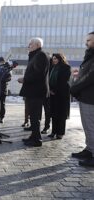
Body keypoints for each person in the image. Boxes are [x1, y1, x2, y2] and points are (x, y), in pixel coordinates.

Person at [18, 37, 50, 147]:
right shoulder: (35, 55)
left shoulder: (40, 55)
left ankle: (37, 140)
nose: (28, 46)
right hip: (33, 90)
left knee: (35, 116)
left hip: (36, 91)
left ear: (37, 45)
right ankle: (34, 136)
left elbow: (38, 74)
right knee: (33, 115)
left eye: (30, 44)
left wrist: (25, 79)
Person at [71, 31, 94, 167]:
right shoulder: (90, 55)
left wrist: (74, 88)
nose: (86, 43)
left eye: (89, 40)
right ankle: (89, 150)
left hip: (91, 97)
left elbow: (90, 77)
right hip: (86, 96)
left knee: (91, 126)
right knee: (88, 126)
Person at [47, 53, 71, 139]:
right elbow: (49, 79)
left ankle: (60, 133)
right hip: (52, 94)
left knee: (61, 114)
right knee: (54, 114)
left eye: (56, 58)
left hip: (61, 94)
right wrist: (50, 89)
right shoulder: (52, 67)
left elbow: (63, 81)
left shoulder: (66, 67)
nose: (54, 60)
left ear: (60, 59)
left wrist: (55, 91)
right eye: (53, 59)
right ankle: (53, 132)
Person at [0, 57, 12, 123]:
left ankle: (2, 117)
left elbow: (9, 78)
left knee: (2, 104)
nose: (1, 63)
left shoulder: (7, 68)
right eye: (0, 62)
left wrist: (3, 80)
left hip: (3, 88)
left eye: (2, 62)